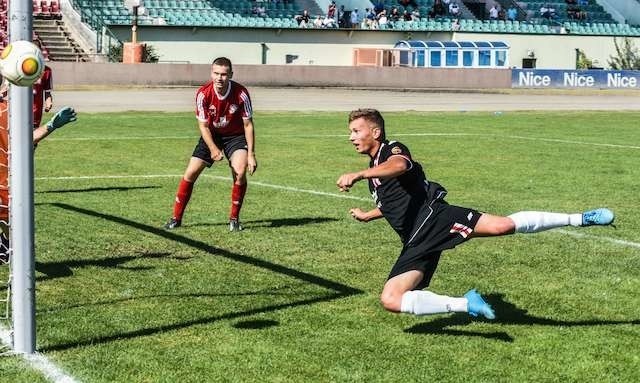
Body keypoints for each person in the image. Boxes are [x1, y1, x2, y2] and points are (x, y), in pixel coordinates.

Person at [336, 109, 614, 320]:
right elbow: (395, 202)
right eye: (350, 132)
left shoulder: (391, 150)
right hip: (416, 238)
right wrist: (368, 215)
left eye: (355, 131)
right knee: (392, 300)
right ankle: (467, 303)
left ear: (374, 132)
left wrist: (359, 174)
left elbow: (400, 165)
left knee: (503, 226)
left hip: (433, 218)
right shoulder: (375, 171)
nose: (351, 137)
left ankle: (580, 218)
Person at [165, 57, 256, 232]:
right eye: (216, 73)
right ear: (211, 73)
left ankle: (234, 219)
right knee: (190, 173)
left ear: (230, 74)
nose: (219, 78)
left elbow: (248, 125)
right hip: (211, 135)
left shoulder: (241, 93)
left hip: (235, 136)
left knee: (240, 171)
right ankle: (176, 218)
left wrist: (251, 154)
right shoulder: (203, 93)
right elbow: (203, 126)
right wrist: (213, 149)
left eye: (223, 74)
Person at [0, 77, 77, 263]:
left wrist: (52, 125)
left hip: (5, 181)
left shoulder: (8, 111)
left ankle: (7, 245)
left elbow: (27, 139)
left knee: (10, 221)